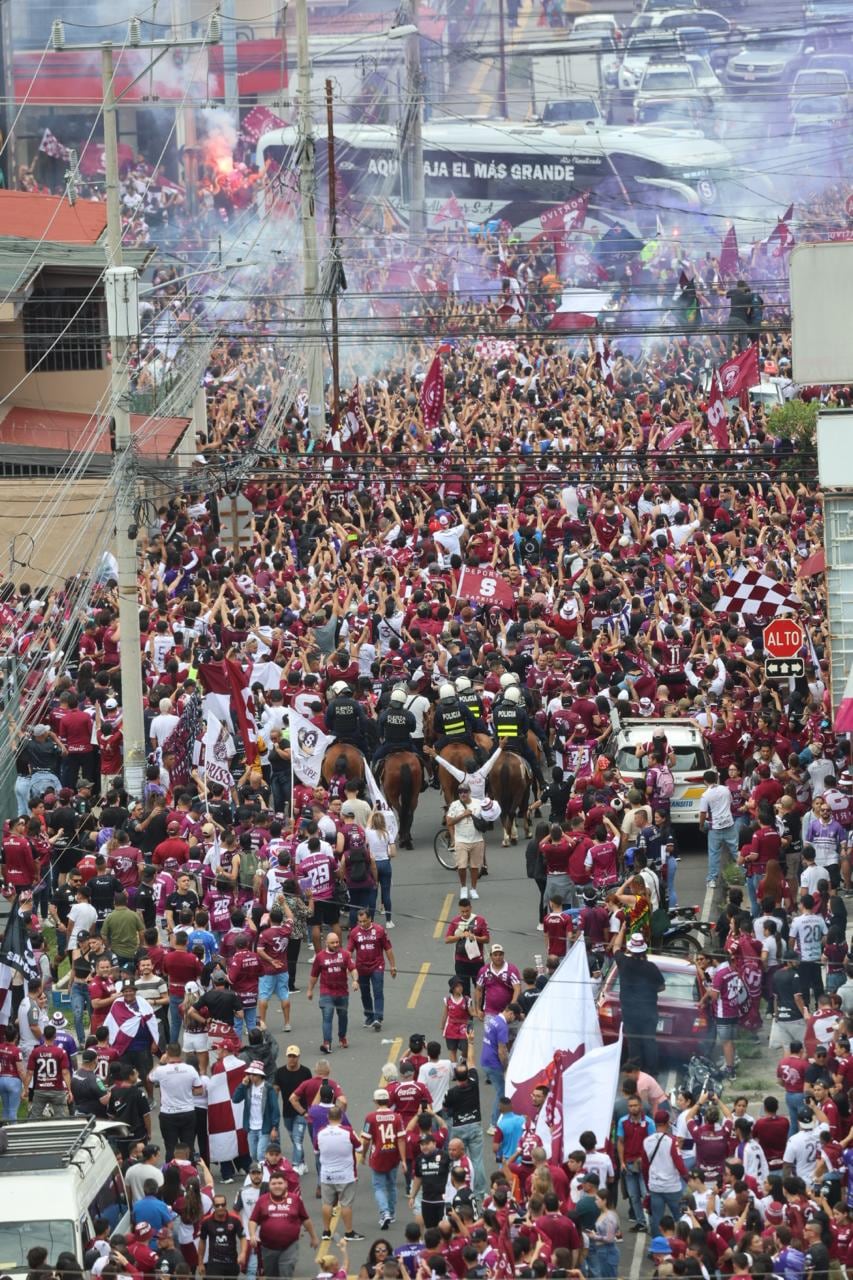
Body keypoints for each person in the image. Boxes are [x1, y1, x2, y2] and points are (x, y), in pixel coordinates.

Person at [248, 1168, 320, 1279]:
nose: (277, 1186)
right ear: (269, 1185)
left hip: (289, 1246)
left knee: (286, 1273)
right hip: (268, 1247)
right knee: (271, 1276)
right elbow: (253, 1220)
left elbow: (305, 1219)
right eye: (274, 1183)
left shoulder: (295, 1199)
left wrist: (314, 1237)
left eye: (280, 1183)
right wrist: (252, 1235)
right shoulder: (262, 1200)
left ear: (286, 1184)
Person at [614, 934, 665, 1075]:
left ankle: (635, 1070)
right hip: (649, 1012)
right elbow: (661, 987)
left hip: (629, 1013)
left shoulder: (623, 962)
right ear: (644, 950)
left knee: (634, 1042)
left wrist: (623, 929)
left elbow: (616, 947)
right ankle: (652, 1071)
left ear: (630, 950)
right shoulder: (651, 967)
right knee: (650, 1041)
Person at [360, 1087, 406, 1231]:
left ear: (375, 1101)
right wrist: (403, 1160)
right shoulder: (397, 1117)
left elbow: (366, 1140)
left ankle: (384, 1212)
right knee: (391, 1185)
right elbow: (401, 1139)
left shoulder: (371, 1118)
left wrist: (363, 1155)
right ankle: (391, 1213)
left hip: (378, 1155)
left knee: (379, 1186)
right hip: (393, 1154)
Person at [307, 931, 359, 1054]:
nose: (336, 944)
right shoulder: (320, 957)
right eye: (333, 942)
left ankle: (342, 1037)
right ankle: (327, 1043)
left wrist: (355, 980)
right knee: (327, 1017)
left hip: (342, 992)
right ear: (326, 943)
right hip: (326, 992)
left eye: (337, 942)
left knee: (343, 1016)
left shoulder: (345, 954)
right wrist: (310, 990)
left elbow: (353, 969)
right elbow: (314, 975)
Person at [317, 1106, 364, 1243]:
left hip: (327, 1174)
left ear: (328, 1117)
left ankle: (326, 1231)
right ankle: (349, 1232)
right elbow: (360, 1148)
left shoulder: (321, 1132)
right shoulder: (348, 1132)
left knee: (327, 1204)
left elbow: (316, 1150)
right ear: (341, 1117)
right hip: (346, 1174)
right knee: (346, 1204)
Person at [346, 907, 397, 1032]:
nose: (362, 924)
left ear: (370, 919)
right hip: (361, 967)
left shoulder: (379, 931)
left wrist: (392, 966)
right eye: (360, 922)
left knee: (378, 992)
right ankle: (369, 1016)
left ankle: (378, 1018)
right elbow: (349, 951)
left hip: (377, 966)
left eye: (364, 921)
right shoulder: (354, 933)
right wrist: (348, 967)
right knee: (365, 993)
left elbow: (388, 948)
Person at [642, 1109, 688, 1238]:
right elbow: (680, 1165)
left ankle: (656, 1247)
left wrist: (648, 1186)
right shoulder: (672, 1141)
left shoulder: (646, 1142)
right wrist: (689, 1180)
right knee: (682, 1215)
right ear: (667, 1123)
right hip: (673, 1187)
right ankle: (682, 1243)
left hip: (655, 1187)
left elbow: (644, 1167)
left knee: (656, 1217)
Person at [234, 1060, 281, 1163]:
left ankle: (264, 1176)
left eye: (254, 1074)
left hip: (264, 1127)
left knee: (261, 1154)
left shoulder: (268, 1088)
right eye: (250, 1074)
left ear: (260, 1075)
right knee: (253, 1155)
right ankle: (261, 1173)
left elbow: (275, 1109)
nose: (251, 1076)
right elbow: (235, 1099)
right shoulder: (247, 1087)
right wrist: (242, 1085)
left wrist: (274, 1128)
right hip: (251, 1127)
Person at [445, 783, 486, 900]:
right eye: (460, 792)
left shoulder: (478, 803)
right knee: (461, 867)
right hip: (461, 840)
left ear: (469, 792)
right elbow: (449, 822)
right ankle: (463, 888)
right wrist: (463, 815)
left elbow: (487, 815)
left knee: (474, 867)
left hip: (477, 839)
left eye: (465, 791)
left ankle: (473, 889)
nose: (463, 794)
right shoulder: (454, 805)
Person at [699, 769, 738, 889]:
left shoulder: (705, 795)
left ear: (705, 781)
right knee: (736, 851)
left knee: (714, 854)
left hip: (715, 827)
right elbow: (731, 804)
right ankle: (747, 874)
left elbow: (703, 813)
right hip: (729, 824)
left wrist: (701, 826)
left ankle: (712, 879)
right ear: (716, 779)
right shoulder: (725, 789)